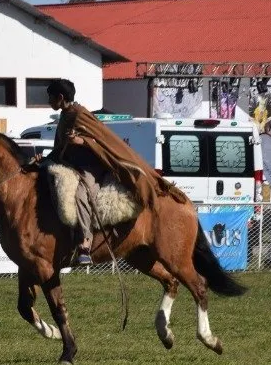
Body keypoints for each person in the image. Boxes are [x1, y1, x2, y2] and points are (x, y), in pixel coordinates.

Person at [42, 78, 187, 265]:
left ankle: (85, 242)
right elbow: (60, 147)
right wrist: (44, 159)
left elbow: (102, 141)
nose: (48, 102)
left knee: (80, 194)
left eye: (50, 98)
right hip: (70, 165)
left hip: (90, 167)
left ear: (60, 97)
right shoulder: (65, 115)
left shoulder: (80, 115)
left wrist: (82, 142)